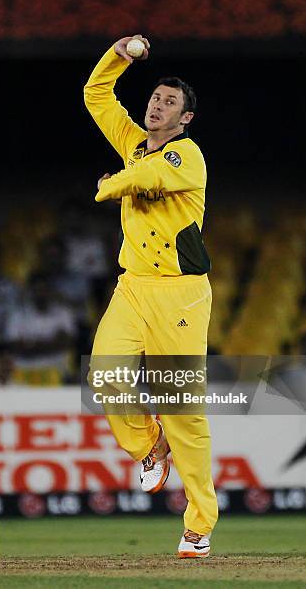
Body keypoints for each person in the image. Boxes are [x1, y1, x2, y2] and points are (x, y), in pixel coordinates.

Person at [84, 35, 218, 558]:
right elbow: (97, 97)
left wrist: (108, 184)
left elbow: (143, 175)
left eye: (169, 103)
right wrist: (117, 56)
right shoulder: (135, 141)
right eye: (156, 98)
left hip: (180, 297)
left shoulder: (187, 157)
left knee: (184, 410)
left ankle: (200, 523)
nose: (157, 105)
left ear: (185, 119)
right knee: (105, 376)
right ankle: (148, 445)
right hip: (132, 287)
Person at [5, 271, 76, 378]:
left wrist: (31, 344)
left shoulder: (63, 312)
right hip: (25, 368)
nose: (41, 294)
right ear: (30, 291)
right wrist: (51, 342)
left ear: (50, 291)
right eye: (37, 290)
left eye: (44, 290)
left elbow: (67, 342)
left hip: (56, 367)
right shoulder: (18, 314)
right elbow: (15, 346)